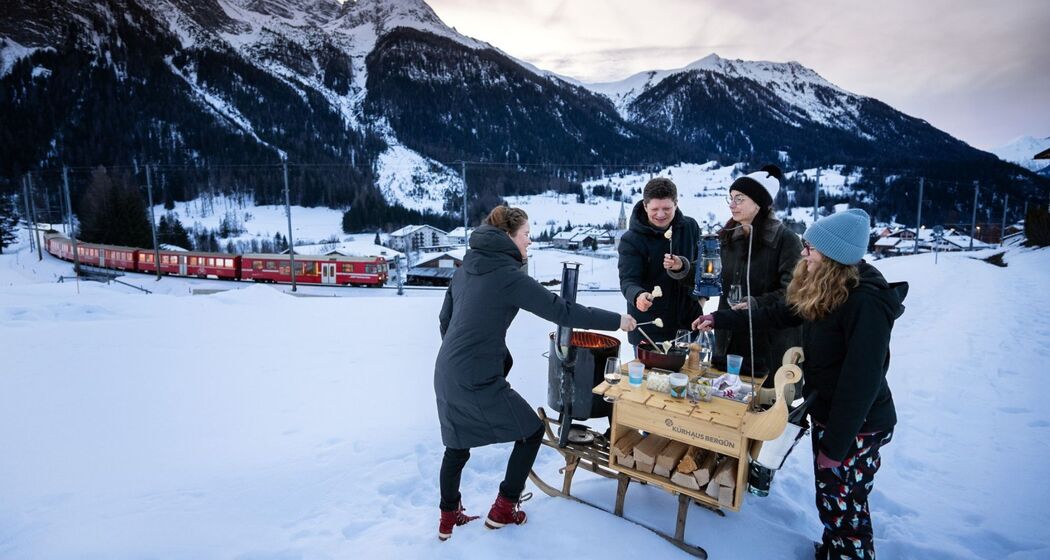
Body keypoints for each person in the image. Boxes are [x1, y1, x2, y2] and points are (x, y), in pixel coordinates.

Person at [694, 209, 906, 560]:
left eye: (811, 248)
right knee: (834, 499)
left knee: (845, 506)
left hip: (857, 426)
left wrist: (835, 446)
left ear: (834, 255)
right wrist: (720, 318)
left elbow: (860, 384)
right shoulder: (831, 287)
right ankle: (834, 550)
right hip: (831, 414)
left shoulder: (866, 303)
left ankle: (849, 553)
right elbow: (778, 313)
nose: (804, 253)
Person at [434, 206, 637, 541]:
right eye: (526, 234)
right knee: (530, 431)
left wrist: (469, 355)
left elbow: (446, 321)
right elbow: (562, 311)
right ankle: (504, 509)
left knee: (457, 444)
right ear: (509, 236)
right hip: (475, 376)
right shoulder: (507, 276)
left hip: (447, 369)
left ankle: (447, 518)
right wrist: (617, 320)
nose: (530, 241)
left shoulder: (465, 269)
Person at [711, 164, 802, 381]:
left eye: (739, 199)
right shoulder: (727, 237)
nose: (732, 204)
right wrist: (682, 267)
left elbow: (794, 293)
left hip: (767, 343)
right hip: (729, 337)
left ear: (758, 203)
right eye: (731, 198)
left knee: (763, 398)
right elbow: (710, 277)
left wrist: (756, 303)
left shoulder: (786, 241)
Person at [618, 177, 701, 349]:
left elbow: (703, 268)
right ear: (645, 206)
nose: (661, 215)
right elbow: (628, 280)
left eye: (667, 208)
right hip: (649, 330)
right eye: (655, 209)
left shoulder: (690, 227)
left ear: (676, 204)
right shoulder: (631, 239)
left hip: (689, 324)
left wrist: (701, 299)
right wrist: (638, 295)